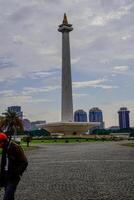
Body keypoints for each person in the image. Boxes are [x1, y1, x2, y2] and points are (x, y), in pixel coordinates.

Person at [0, 133, 28, 200]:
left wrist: (16, 173)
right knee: (10, 196)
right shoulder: (5, 148)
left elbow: (24, 162)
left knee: (7, 197)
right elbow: (3, 164)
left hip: (13, 178)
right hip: (5, 176)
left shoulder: (15, 147)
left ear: (3, 141)